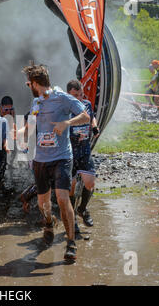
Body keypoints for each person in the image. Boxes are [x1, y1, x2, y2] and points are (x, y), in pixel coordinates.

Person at [17, 63, 90, 260]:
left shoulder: (63, 98)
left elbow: (85, 116)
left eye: (28, 84)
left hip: (62, 157)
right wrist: (19, 133)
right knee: (43, 203)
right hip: (41, 158)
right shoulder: (36, 103)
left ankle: (71, 243)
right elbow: (31, 126)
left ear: (34, 83)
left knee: (62, 198)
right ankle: (49, 222)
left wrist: (67, 122)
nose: (28, 87)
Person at [67, 80, 99, 234]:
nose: (79, 98)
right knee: (71, 187)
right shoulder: (64, 107)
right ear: (69, 94)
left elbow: (91, 116)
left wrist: (94, 126)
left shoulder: (86, 104)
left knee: (90, 183)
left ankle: (83, 209)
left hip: (84, 149)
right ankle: (72, 220)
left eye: (81, 94)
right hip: (70, 150)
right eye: (75, 95)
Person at [0, 95, 16, 190]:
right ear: (1, 107)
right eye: (6, 109)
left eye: (10, 108)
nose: (8, 111)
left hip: (5, 138)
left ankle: (0, 181)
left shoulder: (12, 112)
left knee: (3, 161)